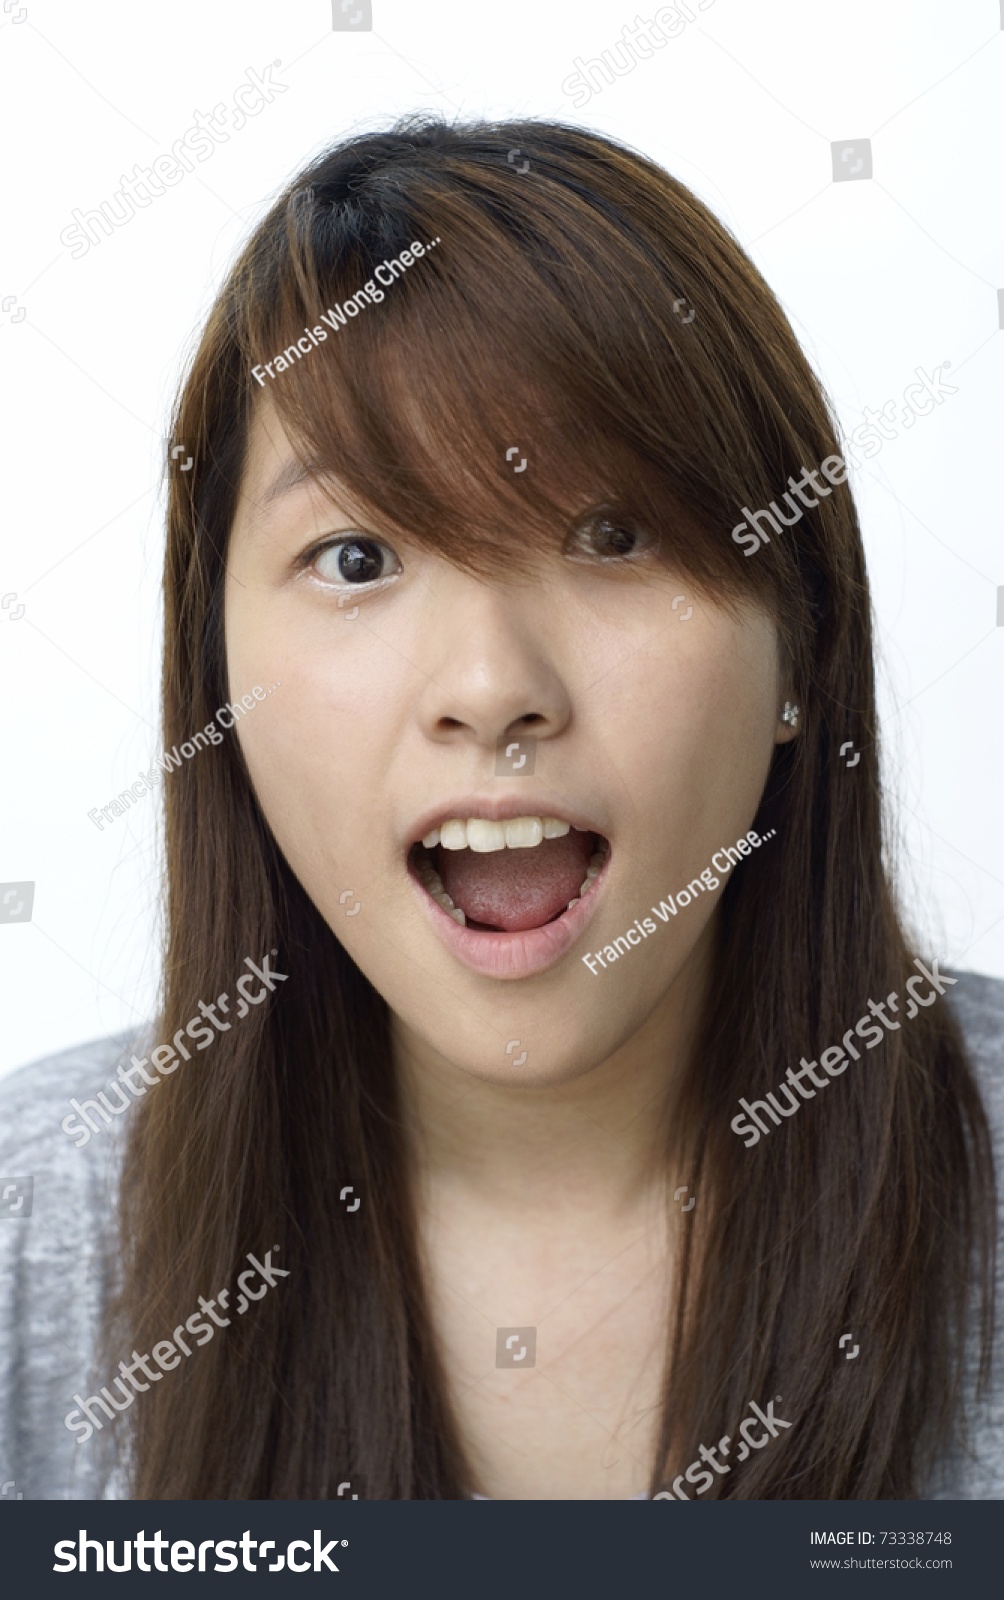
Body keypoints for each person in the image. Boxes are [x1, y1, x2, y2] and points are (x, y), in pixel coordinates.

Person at [0, 116, 999, 1502]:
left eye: (612, 537)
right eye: (358, 556)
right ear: (215, 671)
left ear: (802, 644)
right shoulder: (26, 1233)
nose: (490, 688)